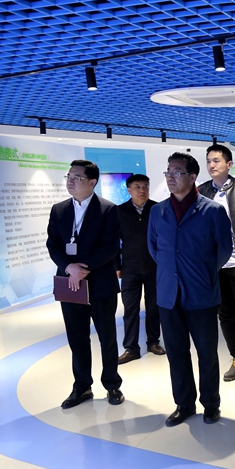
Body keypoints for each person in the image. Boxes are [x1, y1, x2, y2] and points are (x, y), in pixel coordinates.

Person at [148, 153, 233, 427]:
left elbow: (224, 249)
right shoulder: (158, 211)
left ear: (193, 176)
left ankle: (211, 403)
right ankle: (184, 403)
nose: (170, 177)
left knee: (206, 353)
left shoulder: (212, 211)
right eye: (168, 172)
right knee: (176, 353)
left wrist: (204, 273)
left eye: (177, 172)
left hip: (201, 293)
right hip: (168, 295)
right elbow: (154, 248)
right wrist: (172, 272)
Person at [46, 160, 123, 408]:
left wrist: (83, 269)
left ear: (92, 182)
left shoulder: (108, 209)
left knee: (107, 337)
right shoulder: (59, 210)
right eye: (69, 176)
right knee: (76, 337)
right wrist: (69, 268)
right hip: (69, 284)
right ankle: (82, 387)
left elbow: (110, 247)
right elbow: (53, 244)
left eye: (76, 177)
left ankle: (112, 384)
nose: (70, 181)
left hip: (100, 283)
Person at [198, 144, 235, 382]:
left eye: (216, 160)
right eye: (209, 161)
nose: (212, 165)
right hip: (216, 266)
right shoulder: (200, 192)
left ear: (229, 164)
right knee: (225, 315)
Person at [116, 174, 166, 364]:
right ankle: (131, 348)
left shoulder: (157, 209)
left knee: (154, 307)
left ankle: (153, 342)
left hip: (154, 267)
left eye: (145, 186)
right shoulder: (119, 211)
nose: (142, 190)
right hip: (129, 268)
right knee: (130, 310)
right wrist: (116, 265)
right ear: (129, 190)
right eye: (137, 187)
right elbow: (113, 241)